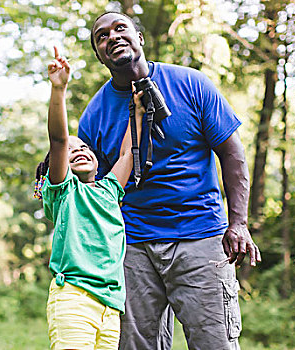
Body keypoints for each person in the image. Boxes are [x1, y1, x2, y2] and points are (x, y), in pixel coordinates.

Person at [78, 12, 262, 350]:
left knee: (215, 344)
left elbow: (233, 154)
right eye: (101, 36)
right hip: (133, 246)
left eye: (120, 28)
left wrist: (239, 223)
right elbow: (95, 191)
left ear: (140, 38)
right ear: (99, 54)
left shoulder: (191, 84)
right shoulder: (94, 114)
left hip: (202, 238)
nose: (112, 37)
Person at [34, 46, 144, 350]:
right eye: (70, 151)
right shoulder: (64, 192)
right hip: (73, 297)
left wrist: (137, 111)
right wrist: (59, 89)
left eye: (83, 147)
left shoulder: (109, 190)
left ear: (96, 158)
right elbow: (58, 138)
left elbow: (126, 153)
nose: (78, 150)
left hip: (111, 306)